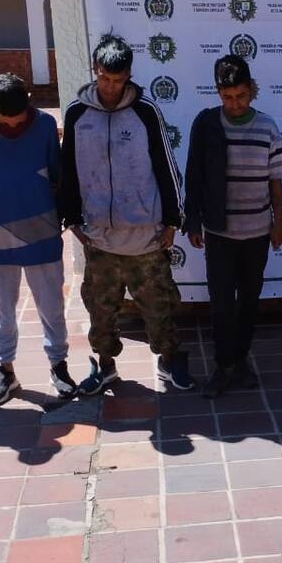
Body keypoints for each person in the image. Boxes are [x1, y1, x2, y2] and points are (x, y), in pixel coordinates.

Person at [57, 34, 193, 394]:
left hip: (145, 238)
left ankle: (169, 361)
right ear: (94, 70)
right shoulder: (77, 114)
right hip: (100, 238)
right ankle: (105, 366)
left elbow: (166, 167)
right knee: (100, 310)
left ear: (129, 76)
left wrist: (172, 221)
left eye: (118, 80)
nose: (111, 87)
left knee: (160, 307)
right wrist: (71, 218)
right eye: (104, 78)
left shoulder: (146, 112)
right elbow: (68, 169)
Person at [0, 73, 78, 406]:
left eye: (19, 116)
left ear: (29, 100)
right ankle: (5, 371)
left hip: (41, 226)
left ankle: (59, 366)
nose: (13, 123)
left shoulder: (45, 125)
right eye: (5, 118)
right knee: (1, 307)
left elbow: (56, 172)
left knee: (51, 304)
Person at [184, 55, 282, 398]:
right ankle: (223, 365)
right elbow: (194, 175)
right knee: (221, 303)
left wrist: (279, 222)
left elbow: (275, 182)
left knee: (249, 301)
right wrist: (193, 220)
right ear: (218, 93)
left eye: (241, 96)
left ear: (251, 90)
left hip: (257, 233)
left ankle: (241, 361)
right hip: (219, 233)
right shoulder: (207, 125)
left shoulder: (267, 127)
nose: (234, 104)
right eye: (227, 97)